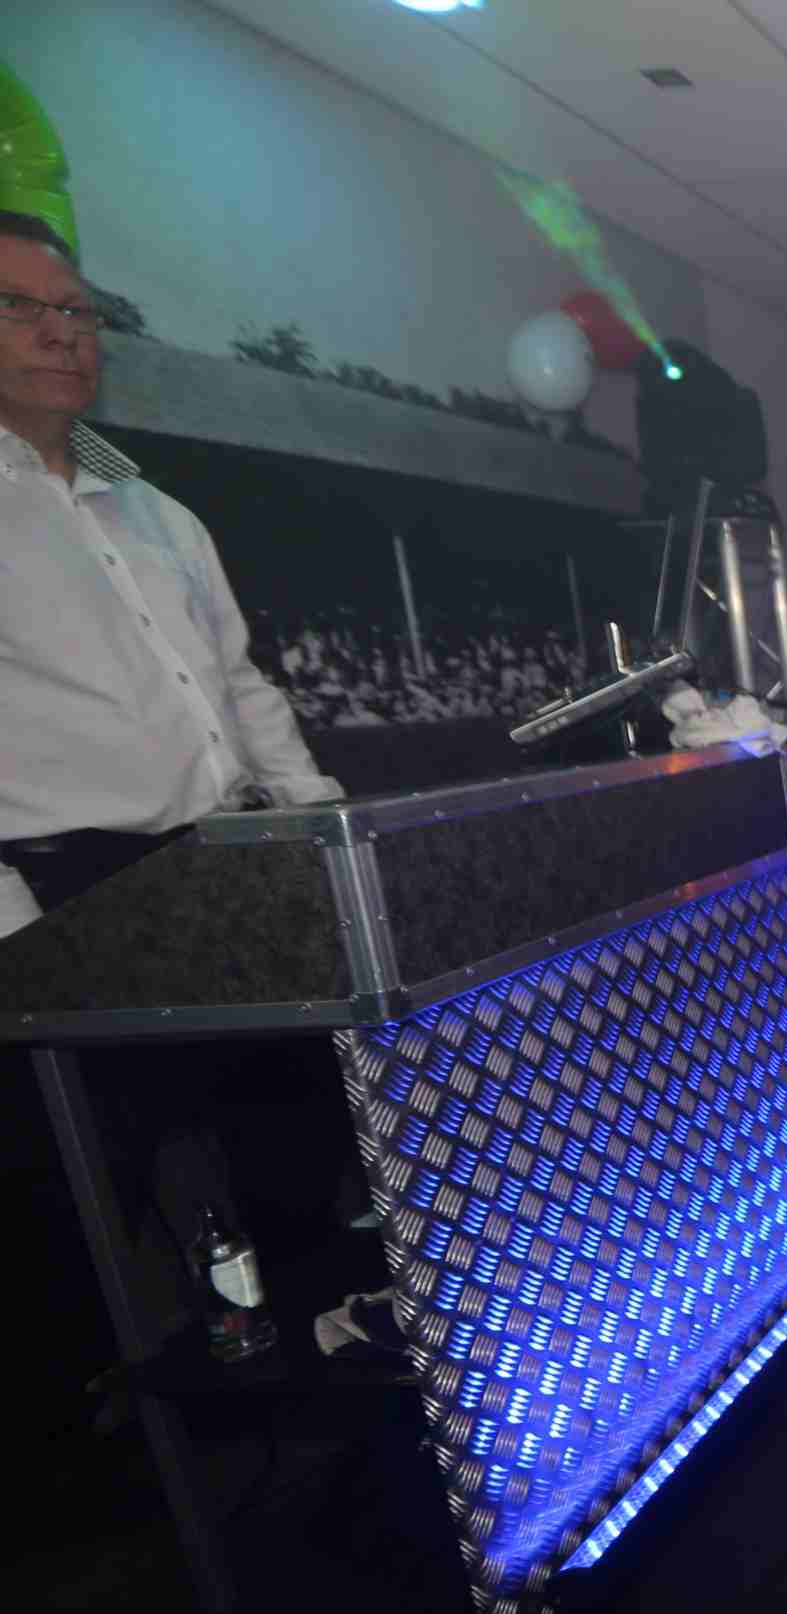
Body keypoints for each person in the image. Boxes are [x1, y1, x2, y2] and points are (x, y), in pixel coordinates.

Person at [0, 211, 352, 1363]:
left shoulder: (158, 511)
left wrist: (322, 833)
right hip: (70, 895)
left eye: (75, 310)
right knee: (117, 1205)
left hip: (226, 871)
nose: (61, 332)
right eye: (20, 307)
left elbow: (239, 685)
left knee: (294, 1149)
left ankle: (325, 1361)